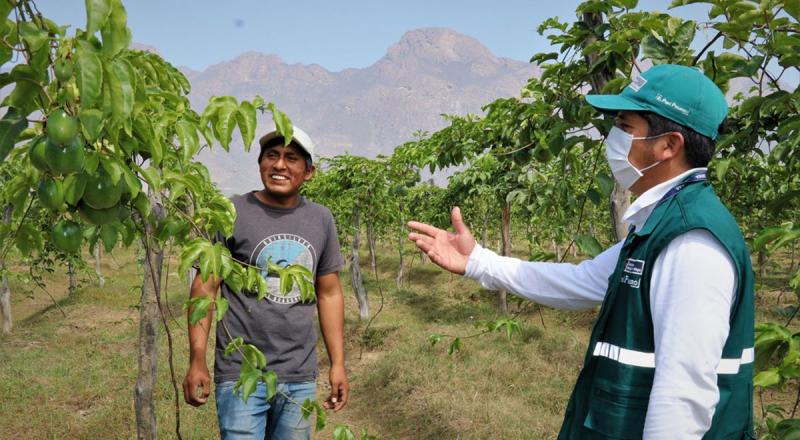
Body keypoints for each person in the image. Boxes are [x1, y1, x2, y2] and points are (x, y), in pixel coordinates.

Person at [408, 64, 753, 439]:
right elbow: (583, 281)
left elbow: (682, 400)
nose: (614, 139)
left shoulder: (691, 241)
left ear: (669, 145)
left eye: (625, 127)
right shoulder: (663, 223)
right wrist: (478, 261)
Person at [182, 125, 349, 440]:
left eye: (291, 158)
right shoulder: (232, 212)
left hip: (299, 374)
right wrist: (197, 359)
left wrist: (338, 363)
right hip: (240, 371)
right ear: (260, 163)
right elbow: (205, 289)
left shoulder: (321, 219)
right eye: (272, 155)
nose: (279, 165)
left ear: (309, 172)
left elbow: (329, 294)